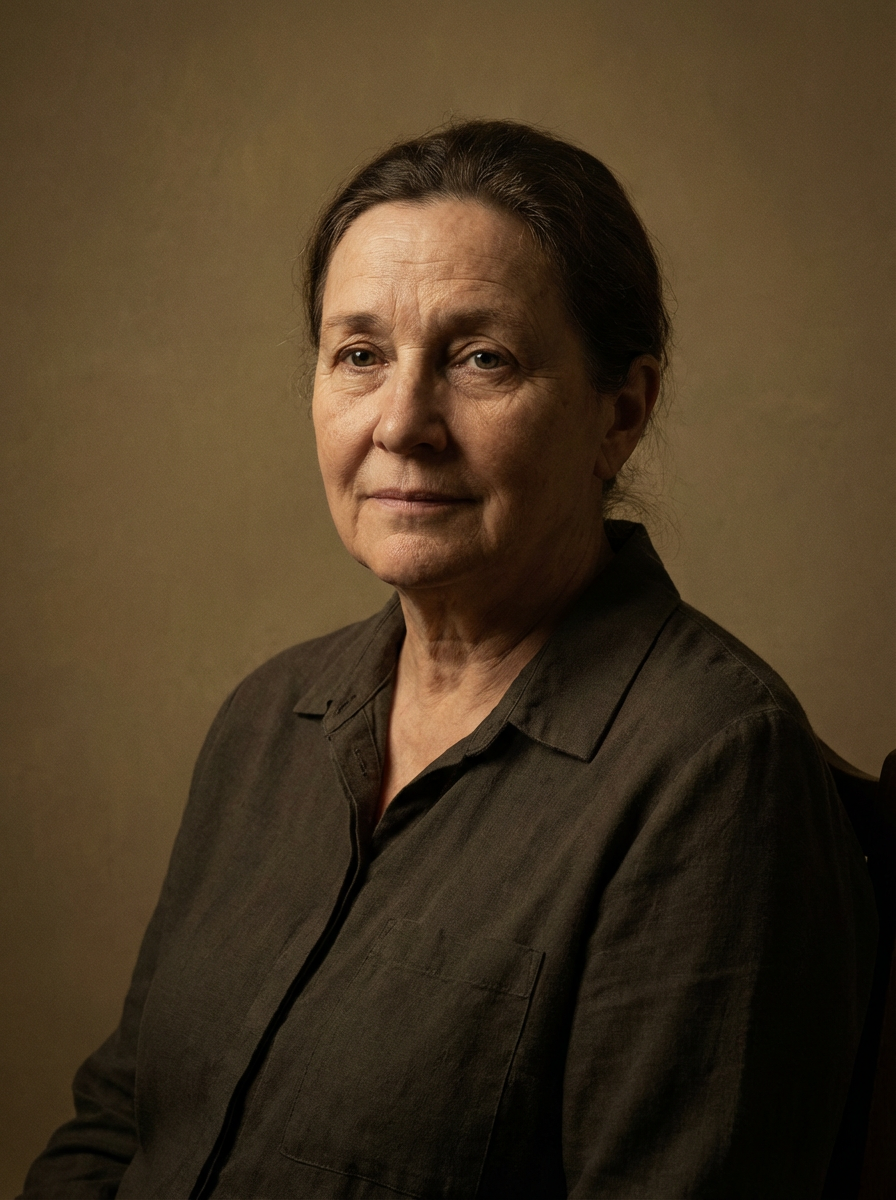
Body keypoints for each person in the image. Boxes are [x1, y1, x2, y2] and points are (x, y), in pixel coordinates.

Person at [21, 120, 876, 1200]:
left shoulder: (711, 772)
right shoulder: (266, 716)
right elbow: (118, 1128)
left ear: (620, 412)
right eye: (360, 355)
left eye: (482, 359)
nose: (403, 422)